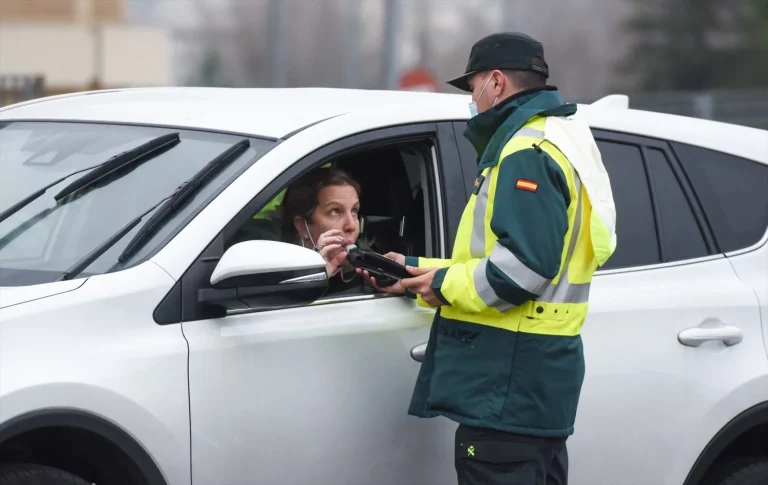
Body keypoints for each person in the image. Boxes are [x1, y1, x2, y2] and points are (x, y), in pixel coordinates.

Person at [364, 32, 617, 485]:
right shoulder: (558, 139)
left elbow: (521, 272)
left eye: (473, 85)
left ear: (496, 83)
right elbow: (501, 260)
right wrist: (416, 270)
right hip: (532, 386)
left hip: (507, 385)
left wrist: (439, 286)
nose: (472, 100)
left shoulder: (526, 153)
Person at [281, 166, 375, 295]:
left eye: (354, 211)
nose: (351, 225)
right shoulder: (274, 273)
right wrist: (312, 276)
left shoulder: (371, 272)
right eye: (335, 211)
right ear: (302, 226)